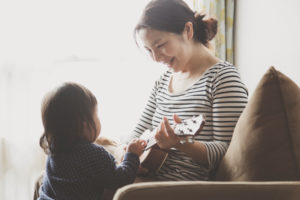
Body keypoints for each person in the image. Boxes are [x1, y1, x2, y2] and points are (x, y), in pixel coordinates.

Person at [126, 0, 248, 181]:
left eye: (160, 46)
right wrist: (125, 155)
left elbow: (229, 152)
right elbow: (137, 132)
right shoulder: (163, 81)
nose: (156, 58)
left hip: (183, 187)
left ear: (188, 30)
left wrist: (182, 144)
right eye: (149, 50)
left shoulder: (223, 78)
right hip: (148, 177)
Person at [37, 82, 146, 199]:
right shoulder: (92, 154)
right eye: (96, 113)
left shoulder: (53, 150)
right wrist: (132, 156)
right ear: (84, 123)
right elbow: (120, 180)